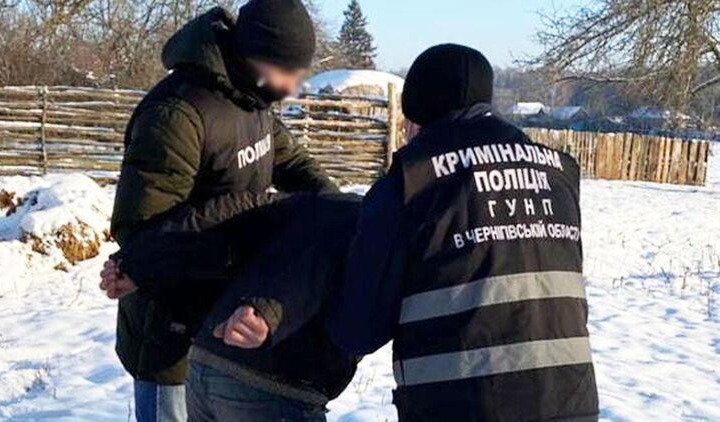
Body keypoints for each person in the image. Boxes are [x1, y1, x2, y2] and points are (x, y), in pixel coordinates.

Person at [224, 44, 600, 421]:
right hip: (571, 402)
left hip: (463, 407)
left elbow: (359, 327)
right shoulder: (559, 174)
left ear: (416, 116)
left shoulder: (413, 180)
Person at [104, 1, 337, 420]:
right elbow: (143, 237)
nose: (293, 87)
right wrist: (252, 231)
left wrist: (339, 210)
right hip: (169, 335)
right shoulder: (177, 115)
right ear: (255, 56)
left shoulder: (252, 102)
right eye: (287, 72)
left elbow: (295, 164)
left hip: (221, 323)